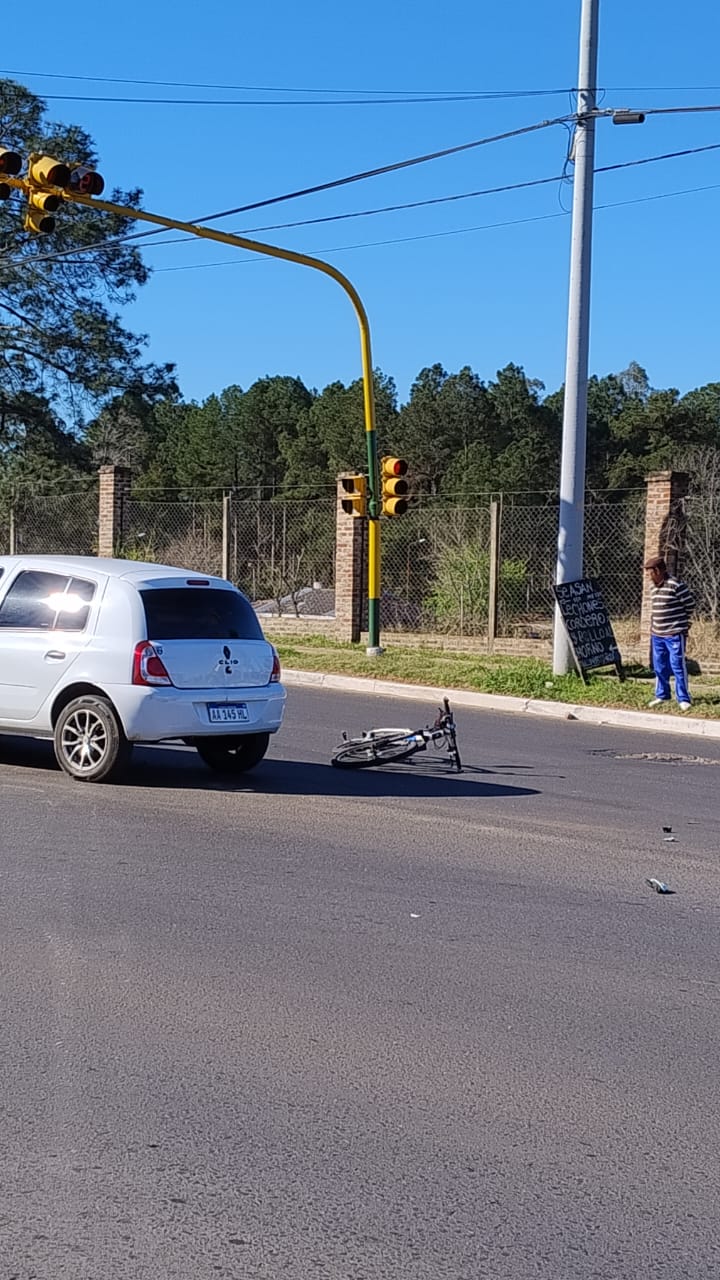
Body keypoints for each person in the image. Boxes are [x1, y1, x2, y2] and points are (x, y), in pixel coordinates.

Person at [644, 554, 695, 710]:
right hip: (657, 633)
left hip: (674, 633)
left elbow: (690, 605)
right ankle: (662, 695)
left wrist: (681, 623)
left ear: (658, 571)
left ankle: (683, 698)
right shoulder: (653, 587)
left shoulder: (675, 585)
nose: (648, 576)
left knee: (677, 665)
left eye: (650, 572)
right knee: (659, 665)